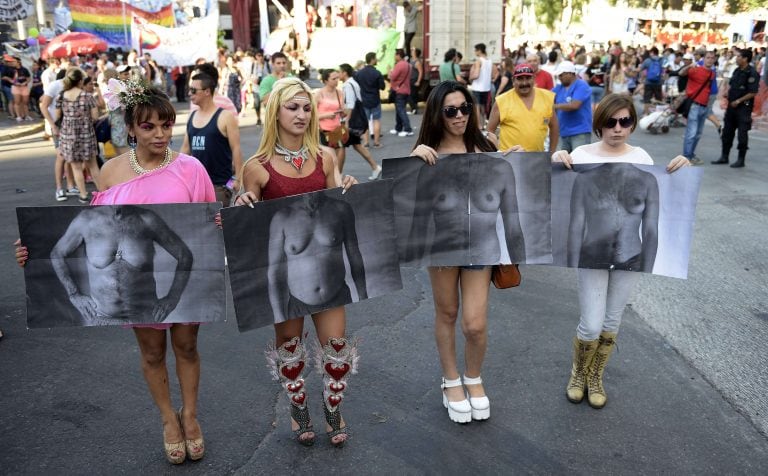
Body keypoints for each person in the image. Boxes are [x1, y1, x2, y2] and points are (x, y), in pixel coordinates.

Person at [17, 83, 216, 464]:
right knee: (152, 352)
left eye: (166, 124)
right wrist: (33, 252)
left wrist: (223, 224)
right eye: (149, 126)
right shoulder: (109, 173)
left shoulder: (191, 169)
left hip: (179, 291)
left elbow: (205, 227)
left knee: (187, 347)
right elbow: (86, 231)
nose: (160, 134)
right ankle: (167, 420)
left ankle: (189, 416)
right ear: (131, 128)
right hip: (132, 299)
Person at [235, 77, 358, 447]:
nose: (302, 114)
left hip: (329, 275)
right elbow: (250, 222)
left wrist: (347, 188)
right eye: (293, 107)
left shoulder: (326, 157)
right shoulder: (257, 167)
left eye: (307, 107)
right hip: (287, 280)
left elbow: (339, 207)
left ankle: (333, 408)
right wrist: (242, 204)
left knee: (337, 350)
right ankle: (298, 406)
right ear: (276, 112)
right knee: (290, 351)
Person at [551, 93, 690, 410]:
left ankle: (595, 375)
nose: (618, 128)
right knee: (591, 323)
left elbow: (652, 225)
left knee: (612, 322)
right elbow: (573, 220)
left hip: (630, 256)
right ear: (600, 124)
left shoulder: (642, 159)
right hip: (592, 255)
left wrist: (682, 166)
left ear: (633, 124)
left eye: (625, 121)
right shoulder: (582, 156)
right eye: (611, 122)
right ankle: (578, 373)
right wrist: (558, 157)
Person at [409, 81, 512, 424]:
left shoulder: (487, 146)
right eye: (450, 110)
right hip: (441, 245)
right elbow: (406, 202)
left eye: (465, 108)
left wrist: (519, 164)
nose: (459, 116)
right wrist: (413, 166)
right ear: (438, 113)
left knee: (475, 323)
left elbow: (509, 193)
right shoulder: (427, 153)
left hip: (481, 244)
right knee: (448, 312)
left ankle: (474, 377)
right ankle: (451, 381)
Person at [180, 63, 243, 205]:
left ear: (207, 91)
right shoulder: (192, 116)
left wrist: (237, 179)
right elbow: (185, 150)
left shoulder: (225, 116)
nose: (190, 94)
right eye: (189, 90)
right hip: (195, 185)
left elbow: (236, 149)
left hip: (219, 186)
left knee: (217, 225)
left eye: (193, 90)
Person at [487, 63, 559, 152]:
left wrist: (551, 154)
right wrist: (496, 154)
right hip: (510, 160)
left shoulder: (546, 98)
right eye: (520, 79)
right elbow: (489, 131)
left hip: (537, 159)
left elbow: (554, 127)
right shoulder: (502, 101)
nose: (524, 83)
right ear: (513, 80)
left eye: (528, 78)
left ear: (534, 78)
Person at [55, 67, 101, 203]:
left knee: (75, 167)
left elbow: (57, 116)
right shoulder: (87, 96)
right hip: (86, 133)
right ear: (80, 81)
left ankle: (83, 194)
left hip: (68, 134)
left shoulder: (61, 96)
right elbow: (95, 116)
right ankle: (102, 193)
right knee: (93, 166)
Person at [712, 48, 760, 168]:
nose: (736, 59)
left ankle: (741, 159)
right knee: (727, 132)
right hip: (731, 107)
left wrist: (739, 100)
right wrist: (727, 93)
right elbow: (732, 85)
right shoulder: (737, 71)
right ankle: (724, 156)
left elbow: (753, 92)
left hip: (744, 107)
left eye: (739, 57)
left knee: (742, 134)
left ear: (745, 59)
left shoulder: (752, 73)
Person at [339, 63, 382, 178]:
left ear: (344, 72)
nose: (338, 74)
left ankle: (338, 173)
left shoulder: (348, 85)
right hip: (355, 119)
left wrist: (346, 122)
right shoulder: (353, 82)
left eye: (339, 72)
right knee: (356, 145)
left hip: (351, 120)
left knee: (341, 146)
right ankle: (375, 167)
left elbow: (350, 104)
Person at [40, 69, 77, 200]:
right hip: (58, 125)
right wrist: (53, 125)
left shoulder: (75, 86)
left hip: (71, 126)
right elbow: (43, 106)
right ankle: (59, 188)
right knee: (61, 156)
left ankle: (71, 185)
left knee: (70, 156)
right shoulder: (55, 85)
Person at [678, 50, 715, 165]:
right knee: (691, 133)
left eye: (712, 58)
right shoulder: (695, 69)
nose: (710, 60)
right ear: (703, 59)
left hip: (704, 106)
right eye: (708, 57)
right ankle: (686, 156)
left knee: (698, 133)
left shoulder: (712, 73)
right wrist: (689, 65)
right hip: (694, 105)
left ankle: (690, 154)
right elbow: (681, 73)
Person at [553, 61, 592, 152]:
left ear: (570, 73)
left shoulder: (581, 85)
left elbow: (574, 105)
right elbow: (547, 96)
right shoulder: (559, 88)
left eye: (561, 75)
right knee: (565, 163)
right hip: (564, 132)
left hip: (580, 131)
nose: (560, 78)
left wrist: (554, 106)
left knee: (579, 162)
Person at [316, 69, 348, 167]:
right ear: (326, 80)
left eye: (337, 78)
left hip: (337, 128)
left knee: (341, 150)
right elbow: (312, 115)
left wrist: (343, 112)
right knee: (328, 156)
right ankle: (330, 177)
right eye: (333, 78)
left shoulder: (340, 93)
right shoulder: (319, 93)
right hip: (324, 130)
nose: (337, 80)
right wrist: (326, 115)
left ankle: (338, 176)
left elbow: (344, 111)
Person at [355, 52, 385, 147]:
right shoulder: (377, 73)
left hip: (363, 100)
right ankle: (376, 142)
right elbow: (382, 87)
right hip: (375, 100)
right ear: (372, 59)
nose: (376, 60)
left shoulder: (359, 73)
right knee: (376, 120)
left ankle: (366, 143)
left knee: (365, 121)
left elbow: (356, 86)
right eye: (375, 58)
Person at [389, 48, 414, 137]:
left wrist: (389, 71)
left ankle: (408, 129)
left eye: (395, 55)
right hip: (406, 89)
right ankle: (398, 128)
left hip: (399, 90)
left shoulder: (399, 65)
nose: (394, 57)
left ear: (399, 55)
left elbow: (393, 77)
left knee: (401, 110)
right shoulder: (408, 65)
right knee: (399, 110)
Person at [468, 43, 492, 124]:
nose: (475, 52)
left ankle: (478, 126)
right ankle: (483, 124)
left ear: (479, 50)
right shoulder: (489, 61)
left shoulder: (478, 61)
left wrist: (470, 78)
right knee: (483, 107)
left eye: (475, 50)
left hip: (477, 88)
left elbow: (476, 75)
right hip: (486, 88)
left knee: (477, 107)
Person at [640, 47, 665, 116]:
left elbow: (641, 68)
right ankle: (658, 114)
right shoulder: (662, 60)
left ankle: (646, 114)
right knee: (658, 98)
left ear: (652, 52)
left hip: (648, 82)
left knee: (647, 98)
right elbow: (666, 70)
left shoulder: (647, 60)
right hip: (658, 82)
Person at [408, 47, 424, 114]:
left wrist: (418, 81)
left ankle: (414, 109)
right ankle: (413, 109)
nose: (411, 52)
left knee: (413, 95)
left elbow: (421, 72)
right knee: (410, 95)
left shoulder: (417, 62)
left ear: (415, 53)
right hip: (410, 80)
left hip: (414, 80)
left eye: (413, 51)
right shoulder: (411, 60)